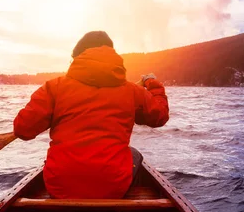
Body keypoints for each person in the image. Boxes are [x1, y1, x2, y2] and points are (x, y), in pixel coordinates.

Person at [13, 31, 169, 199]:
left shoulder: (54, 87)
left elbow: (23, 129)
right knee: (134, 154)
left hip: (59, 186)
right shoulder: (132, 91)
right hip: (113, 187)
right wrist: (152, 84)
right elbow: (159, 116)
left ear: (77, 57)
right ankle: (122, 211)